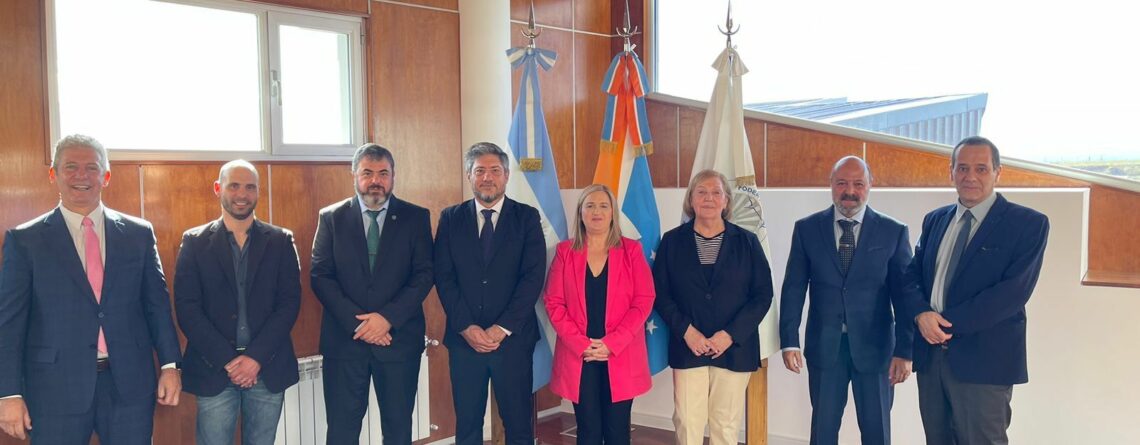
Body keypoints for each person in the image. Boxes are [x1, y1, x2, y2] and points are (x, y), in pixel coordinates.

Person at [0, 134, 182, 444]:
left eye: (91, 167)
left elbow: (157, 307)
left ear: (106, 176)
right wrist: (8, 393)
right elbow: (10, 324)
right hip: (54, 389)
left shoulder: (138, 234)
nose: (81, 176)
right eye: (70, 167)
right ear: (53, 174)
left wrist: (170, 365)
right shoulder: (25, 241)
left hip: (129, 384)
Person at [901, 136, 1049, 445]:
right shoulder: (935, 220)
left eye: (981, 168)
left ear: (998, 172)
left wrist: (943, 325)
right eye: (963, 168)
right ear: (951, 172)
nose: (970, 176)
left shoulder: (1027, 224)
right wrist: (920, 314)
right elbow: (911, 275)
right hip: (931, 361)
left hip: (984, 362)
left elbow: (1011, 294)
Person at [779, 156, 915, 445]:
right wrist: (789, 340)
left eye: (858, 184)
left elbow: (905, 297)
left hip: (877, 351)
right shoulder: (807, 229)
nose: (849, 191)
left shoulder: (893, 231)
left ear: (870, 185)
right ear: (831, 184)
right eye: (841, 183)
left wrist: (905, 350)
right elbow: (793, 287)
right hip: (825, 348)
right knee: (823, 431)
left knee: (877, 432)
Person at [311, 143, 434, 445]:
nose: (375, 180)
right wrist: (362, 325)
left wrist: (387, 319)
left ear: (393, 176)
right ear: (354, 174)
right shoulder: (331, 218)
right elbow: (321, 276)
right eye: (367, 173)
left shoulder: (416, 217)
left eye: (383, 173)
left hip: (398, 341)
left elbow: (424, 275)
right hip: (345, 343)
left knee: (398, 430)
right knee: (341, 431)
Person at [173, 160, 301, 445]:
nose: (242, 194)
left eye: (250, 187)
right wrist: (229, 362)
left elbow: (289, 304)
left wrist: (255, 358)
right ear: (218, 188)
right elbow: (187, 308)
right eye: (233, 186)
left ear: (258, 191)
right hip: (214, 368)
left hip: (267, 368)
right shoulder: (194, 242)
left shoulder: (280, 241)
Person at [433, 142, 546, 445]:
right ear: (469, 175)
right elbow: (444, 277)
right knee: (468, 426)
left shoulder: (527, 217)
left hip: (513, 341)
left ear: (506, 176)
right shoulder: (450, 218)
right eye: (479, 170)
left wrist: (501, 328)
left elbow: (532, 278)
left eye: (495, 170)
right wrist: (466, 327)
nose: (487, 177)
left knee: (519, 426)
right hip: (464, 342)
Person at [652, 169, 773, 445]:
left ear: (726, 200)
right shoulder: (672, 241)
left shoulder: (747, 241)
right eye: (702, 192)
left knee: (725, 425)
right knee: (687, 421)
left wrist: (729, 335)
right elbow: (661, 293)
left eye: (716, 192)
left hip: (733, 348)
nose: (709, 198)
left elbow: (762, 295)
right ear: (691, 200)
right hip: (688, 345)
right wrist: (687, 332)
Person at [544, 184, 655, 445]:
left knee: (617, 432)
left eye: (603, 206)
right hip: (580, 356)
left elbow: (644, 300)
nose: (597, 212)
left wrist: (611, 343)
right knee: (588, 432)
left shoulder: (631, 250)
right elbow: (553, 303)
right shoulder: (565, 252)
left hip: (620, 354)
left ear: (612, 212)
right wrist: (581, 344)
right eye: (590, 206)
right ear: (580, 212)